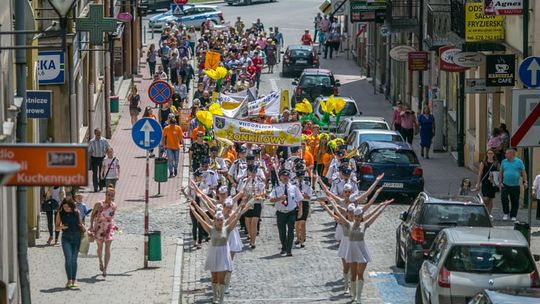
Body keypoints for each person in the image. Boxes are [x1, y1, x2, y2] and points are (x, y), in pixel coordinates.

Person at [322, 198, 394, 302]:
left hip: (362, 250)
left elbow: (375, 215)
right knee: (353, 274)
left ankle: (359, 297)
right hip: (351, 251)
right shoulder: (348, 224)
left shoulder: (365, 224)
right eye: (355, 216)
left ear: (361, 217)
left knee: (360, 274)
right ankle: (353, 294)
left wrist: (383, 205)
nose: (356, 218)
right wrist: (332, 203)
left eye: (359, 216)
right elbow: (338, 214)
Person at [189, 199, 249, 304]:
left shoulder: (227, 229)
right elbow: (202, 218)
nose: (220, 222)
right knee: (214, 278)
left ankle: (220, 298)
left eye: (221, 220)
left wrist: (241, 208)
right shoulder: (210, 229)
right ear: (215, 221)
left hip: (223, 256)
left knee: (221, 279)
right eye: (218, 220)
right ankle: (215, 296)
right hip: (213, 255)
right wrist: (194, 209)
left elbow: (236, 217)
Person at [269, 169, 303, 256]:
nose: (285, 178)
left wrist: (300, 211)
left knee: (291, 230)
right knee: (282, 231)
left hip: (291, 212)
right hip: (281, 212)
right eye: (283, 176)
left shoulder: (294, 188)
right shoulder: (276, 188)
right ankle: (284, 247)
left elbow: (299, 199)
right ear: (280, 177)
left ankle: (289, 250)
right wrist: (279, 198)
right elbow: (271, 199)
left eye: (287, 176)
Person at [55, 198, 86, 289]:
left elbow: (81, 224)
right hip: (66, 238)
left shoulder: (77, 212)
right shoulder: (60, 213)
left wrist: (85, 230)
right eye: (64, 207)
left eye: (68, 207)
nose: (66, 209)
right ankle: (69, 280)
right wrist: (62, 227)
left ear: (72, 206)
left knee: (74, 259)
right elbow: (56, 228)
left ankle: (74, 280)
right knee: (68, 259)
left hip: (76, 238)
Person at [90, 186, 118, 277]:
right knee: (100, 247)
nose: (110, 197)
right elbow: (92, 215)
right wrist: (91, 226)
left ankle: (105, 268)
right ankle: (100, 261)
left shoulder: (114, 206)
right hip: (99, 228)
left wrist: (115, 225)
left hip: (109, 228)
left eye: (112, 195)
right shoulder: (99, 204)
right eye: (108, 195)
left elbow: (112, 217)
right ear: (105, 194)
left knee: (107, 248)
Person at [238, 164, 266, 248]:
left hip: (257, 203)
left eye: (255, 172)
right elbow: (241, 192)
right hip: (248, 203)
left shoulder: (260, 181)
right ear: (248, 172)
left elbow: (263, 191)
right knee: (248, 222)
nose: (253, 174)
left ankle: (253, 241)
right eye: (251, 172)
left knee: (254, 222)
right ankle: (250, 236)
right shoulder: (244, 181)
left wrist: (260, 195)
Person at [499, 149, 527, 221]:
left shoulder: (519, 162)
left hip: (515, 185)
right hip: (505, 184)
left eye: (507, 154)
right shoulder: (504, 161)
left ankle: (513, 215)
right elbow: (501, 172)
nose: (505, 155)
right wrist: (500, 182)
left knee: (515, 201)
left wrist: (525, 181)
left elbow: (523, 172)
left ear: (511, 154)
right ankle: (506, 213)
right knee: (504, 198)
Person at [473, 149, 499, 215]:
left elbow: (499, 172)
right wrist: (478, 183)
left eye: (491, 153)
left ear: (494, 155)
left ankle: (488, 214)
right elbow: (480, 173)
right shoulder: (483, 163)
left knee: (490, 199)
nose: (490, 155)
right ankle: (484, 211)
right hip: (485, 182)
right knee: (485, 199)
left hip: (492, 182)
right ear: (487, 154)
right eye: (489, 153)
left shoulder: (496, 163)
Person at [88, 128, 110, 192]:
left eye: (100, 133)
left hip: (102, 158)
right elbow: (89, 151)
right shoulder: (92, 141)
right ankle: (95, 187)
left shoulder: (104, 140)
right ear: (95, 134)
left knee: (101, 173)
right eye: (97, 134)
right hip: (94, 158)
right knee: (94, 173)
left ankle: (100, 186)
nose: (99, 135)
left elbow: (108, 148)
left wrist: (107, 154)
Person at [294, 170, 312, 248]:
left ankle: (302, 240)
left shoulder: (307, 184)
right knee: (297, 223)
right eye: (299, 177)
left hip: (304, 203)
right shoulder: (293, 185)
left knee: (303, 222)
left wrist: (304, 195)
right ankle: (298, 237)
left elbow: (309, 196)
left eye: (301, 177)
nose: (300, 178)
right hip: (296, 204)